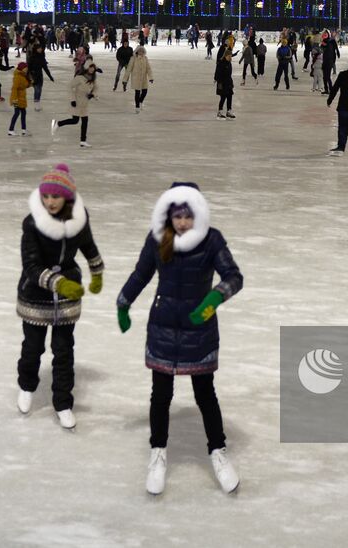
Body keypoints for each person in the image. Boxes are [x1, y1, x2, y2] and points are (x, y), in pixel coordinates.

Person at [117, 182, 244, 495]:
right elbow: (141, 274)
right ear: (168, 215)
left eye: (188, 215)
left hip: (198, 328)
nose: (183, 222)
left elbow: (234, 277)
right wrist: (124, 301)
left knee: (205, 394)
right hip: (163, 326)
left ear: (197, 214)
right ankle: (158, 452)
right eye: (177, 216)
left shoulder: (211, 240)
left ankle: (218, 452)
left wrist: (213, 300)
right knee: (160, 395)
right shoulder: (159, 239)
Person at [16, 163, 105, 426]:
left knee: (64, 351)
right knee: (33, 347)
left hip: (67, 298)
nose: (50, 201)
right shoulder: (32, 223)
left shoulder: (78, 218)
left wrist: (96, 271)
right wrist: (59, 284)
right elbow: (31, 266)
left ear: (66, 196)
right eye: (46, 195)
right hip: (36, 294)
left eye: (55, 196)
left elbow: (88, 245)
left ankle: (63, 402)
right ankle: (27, 386)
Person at [52, 60, 97, 148]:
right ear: (87, 68)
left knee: (84, 121)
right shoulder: (79, 78)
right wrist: (72, 99)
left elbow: (96, 88)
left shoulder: (92, 79)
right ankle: (58, 123)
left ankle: (83, 141)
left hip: (85, 103)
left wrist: (93, 94)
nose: (92, 70)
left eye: (93, 68)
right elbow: (69, 86)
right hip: (77, 102)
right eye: (90, 68)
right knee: (75, 120)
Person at [128, 43, 154, 113]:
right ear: (137, 51)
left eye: (142, 51)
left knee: (145, 91)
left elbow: (148, 68)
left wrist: (151, 77)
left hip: (144, 79)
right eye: (140, 51)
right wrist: (125, 79)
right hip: (136, 78)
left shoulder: (145, 58)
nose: (141, 52)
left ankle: (140, 101)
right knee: (137, 92)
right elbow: (129, 69)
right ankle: (137, 107)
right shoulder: (133, 58)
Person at [8, 62, 32, 136]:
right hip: (17, 98)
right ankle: (11, 130)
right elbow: (14, 88)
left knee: (23, 113)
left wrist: (30, 83)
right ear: (22, 68)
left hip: (21, 98)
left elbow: (24, 85)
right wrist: (14, 100)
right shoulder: (17, 76)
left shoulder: (23, 75)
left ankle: (24, 130)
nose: (27, 69)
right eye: (25, 68)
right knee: (17, 114)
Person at [214, 49, 236, 119]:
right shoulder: (221, 63)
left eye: (231, 56)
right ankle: (219, 112)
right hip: (222, 83)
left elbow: (229, 75)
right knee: (223, 97)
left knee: (230, 96)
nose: (230, 57)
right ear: (226, 55)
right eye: (229, 56)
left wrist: (231, 83)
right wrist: (219, 83)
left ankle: (229, 111)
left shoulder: (229, 63)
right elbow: (217, 74)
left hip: (228, 83)